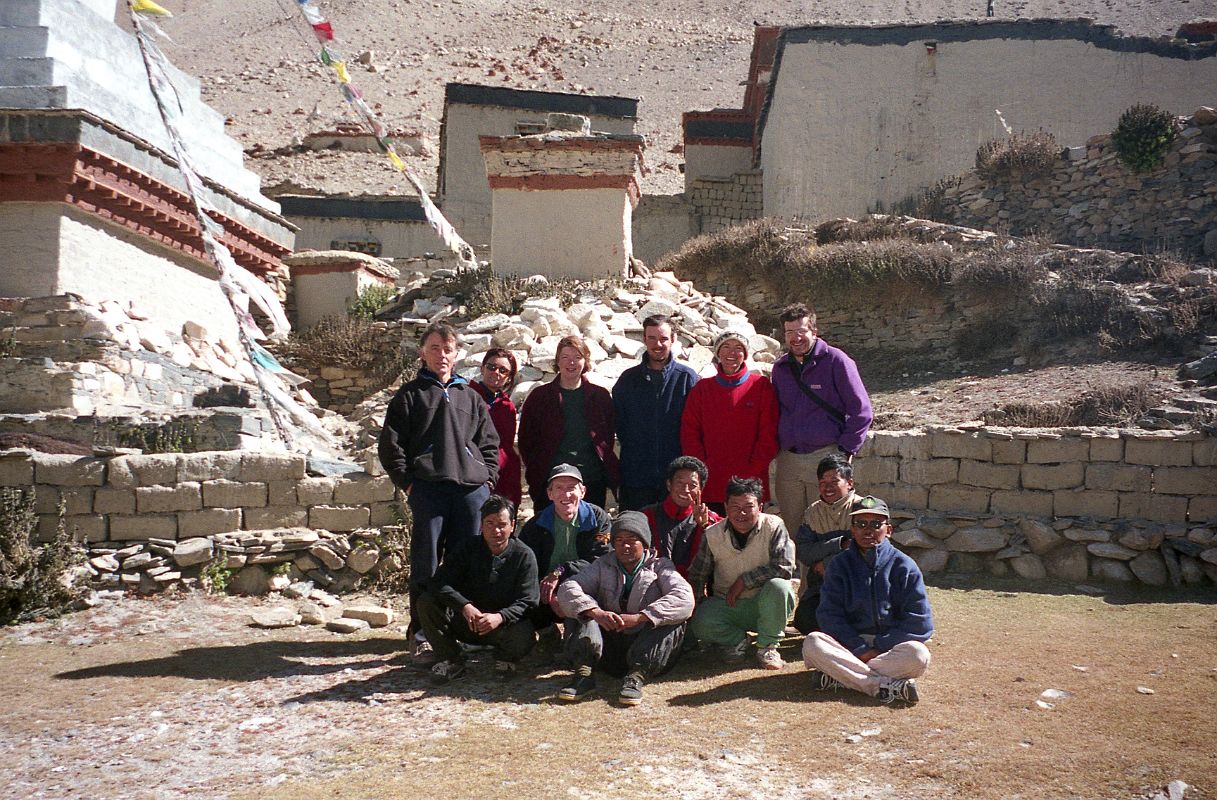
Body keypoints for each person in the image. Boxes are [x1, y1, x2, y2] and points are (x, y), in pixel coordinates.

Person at [378, 322, 499, 658]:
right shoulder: (409, 396)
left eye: (448, 349)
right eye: (434, 348)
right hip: (429, 490)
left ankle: (458, 629)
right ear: (423, 352)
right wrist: (410, 483)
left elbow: (489, 443)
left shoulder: (470, 396)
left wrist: (487, 479)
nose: (442, 355)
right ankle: (422, 632)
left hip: (470, 493)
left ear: (457, 354)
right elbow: (391, 447)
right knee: (426, 563)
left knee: (465, 563)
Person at [803, 496, 933, 706]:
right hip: (849, 645)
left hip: (891, 648)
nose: (868, 530)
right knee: (813, 643)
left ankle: (842, 678)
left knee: (919, 656)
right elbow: (829, 615)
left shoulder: (904, 566)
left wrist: (879, 647)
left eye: (875, 524)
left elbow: (920, 623)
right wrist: (859, 648)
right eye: (861, 524)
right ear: (852, 530)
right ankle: (882, 686)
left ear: (888, 530)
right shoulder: (839, 565)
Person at [555, 511, 694, 705]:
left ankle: (636, 677)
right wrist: (597, 613)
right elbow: (568, 588)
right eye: (619, 540)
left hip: (644, 645)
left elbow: (684, 598)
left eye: (632, 540)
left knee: (674, 620)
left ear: (645, 543)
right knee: (579, 610)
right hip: (608, 646)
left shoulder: (660, 566)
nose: (625, 546)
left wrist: (640, 618)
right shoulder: (602, 564)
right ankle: (584, 674)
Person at [770, 303, 873, 535]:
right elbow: (775, 410)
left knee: (828, 527)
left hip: (826, 457)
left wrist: (845, 452)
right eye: (789, 333)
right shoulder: (780, 368)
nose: (796, 338)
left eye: (801, 331)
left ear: (814, 332)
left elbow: (862, 411)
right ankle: (799, 572)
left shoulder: (837, 361)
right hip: (789, 462)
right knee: (794, 529)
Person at [415, 495, 538, 682]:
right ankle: (451, 659)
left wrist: (500, 617)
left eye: (502, 524)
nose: (496, 530)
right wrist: (465, 606)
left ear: (512, 525)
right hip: (467, 622)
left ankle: (505, 660)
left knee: (524, 632)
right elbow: (438, 582)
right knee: (427, 601)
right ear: (481, 524)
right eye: (489, 523)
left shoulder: (524, 555)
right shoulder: (467, 548)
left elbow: (529, 600)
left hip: (502, 628)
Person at [688, 476, 796, 671]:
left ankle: (768, 646)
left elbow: (784, 566)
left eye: (748, 506)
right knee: (700, 622)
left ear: (760, 506)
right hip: (729, 604)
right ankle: (737, 640)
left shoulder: (774, 526)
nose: (742, 513)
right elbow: (698, 574)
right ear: (725, 507)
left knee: (780, 586)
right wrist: (698, 604)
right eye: (735, 507)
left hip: (765, 603)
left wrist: (745, 580)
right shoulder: (713, 534)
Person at [679, 330, 779, 512]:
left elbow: (769, 434)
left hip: (750, 482)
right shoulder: (702, 389)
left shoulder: (761, 386)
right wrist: (702, 470)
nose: (732, 353)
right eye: (726, 347)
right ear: (717, 353)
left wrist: (751, 472)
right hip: (711, 482)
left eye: (738, 348)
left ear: (746, 354)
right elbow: (690, 432)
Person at [519, 334, 619, 510]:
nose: (571, 363)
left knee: (591, 534)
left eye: (577, 358)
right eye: (565, 357)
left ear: (585, 361)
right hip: (551, 481)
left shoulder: (600, 396)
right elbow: (526, 440)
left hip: (591, 479)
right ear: (557, 361)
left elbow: (608, 436)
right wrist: (537, 468)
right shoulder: (540, 397)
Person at [612, 315, 699, 510]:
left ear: (674, 340)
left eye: (663, 338)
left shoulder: (687, 379)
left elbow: (698, 427)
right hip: (636, 477)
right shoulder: (628, 380)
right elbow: (619, 423)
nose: (657, 344)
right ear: (644, 339)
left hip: (676, 479)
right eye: (651, 338)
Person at [518, 464, 611, 631]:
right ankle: (546, 633)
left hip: (587, 589)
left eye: (571, 488)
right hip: (547, 594)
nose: (566, 494)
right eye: (559, 488)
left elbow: (600, 560)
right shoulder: (536, 525)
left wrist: (560, 572)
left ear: (582, 491)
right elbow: (526, 567)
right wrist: (552, 596)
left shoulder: (598, 518)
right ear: (549, 493)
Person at [792, 455, 859, 634]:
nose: (827, 487)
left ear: (849, 483)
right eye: (823, 482)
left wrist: (827, 563)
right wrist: (839, 543)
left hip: (858, 584)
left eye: (834, 481)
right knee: (804, 621)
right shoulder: (812, 513)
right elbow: (804, 553)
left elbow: (866, 550)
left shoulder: (862, 509)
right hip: (823, 586)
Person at [641, 455, 722, 578]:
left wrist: (705, 527)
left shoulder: (711, 519)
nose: (686, 490)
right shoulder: (646, 516)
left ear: (701, 489)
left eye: (693, 485)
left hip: (692, 587)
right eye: (680, 483)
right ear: (669, 485)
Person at [471, 348, 523, 506]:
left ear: (509, 378)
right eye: (491, 367)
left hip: (504, 474)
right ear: (482, 368)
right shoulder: (468, 396)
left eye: (503, 370)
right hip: (474, 470)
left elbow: (506, 444)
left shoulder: (507, 406)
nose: (496, 373)